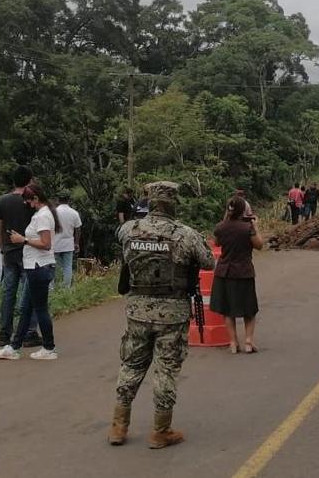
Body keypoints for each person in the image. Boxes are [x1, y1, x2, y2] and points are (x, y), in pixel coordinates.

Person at [107, 181, 214, 449]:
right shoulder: (186, 235)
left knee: (131, 365)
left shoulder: (129, 229)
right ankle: (160, 430)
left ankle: (119, 426)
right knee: (165, 370)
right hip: (172, 314)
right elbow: (208, 261)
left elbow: (120, 243)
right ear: (174, 203)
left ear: (150, 201)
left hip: (137, 311)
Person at [0, 183, 62, 361]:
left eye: (29, 201)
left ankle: (48, 346)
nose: (27, 205)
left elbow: (46, 244)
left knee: (39, 309)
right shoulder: (42, 214)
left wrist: (23, 240)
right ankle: (14, 347)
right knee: (26, 308)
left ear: (36, 199)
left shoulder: (43, 216)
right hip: (35, 266)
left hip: (39, 266)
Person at [211, 195, 264, 354]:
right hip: (243, 272)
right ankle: (248, 341)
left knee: (228, 310)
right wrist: (256, 226)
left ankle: (233, 343)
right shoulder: (247, 228)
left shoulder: (220, 227)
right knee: (249, 309)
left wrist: (225, 219)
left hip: (224, 272)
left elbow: (216, 243)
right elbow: (259, 245)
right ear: (243, 210)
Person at [0, 165, 39, 347]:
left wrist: (2, 248)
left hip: (9, 252)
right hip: (28, 251)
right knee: (30, 292)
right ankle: (29, 332)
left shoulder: (3, 201)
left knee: (8, 293)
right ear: (29, 180)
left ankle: (4, 333)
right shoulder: (30, 200)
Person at [54, 193, 82, 289]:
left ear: (58, 200)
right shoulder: (74, 213)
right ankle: (67, 288)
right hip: (68, 243)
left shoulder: (54, 212)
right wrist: (77, 243)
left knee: (56, 266)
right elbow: (78, 229)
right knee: (67, 266)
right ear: (69, 200)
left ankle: (55, 287)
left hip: (55, 243)